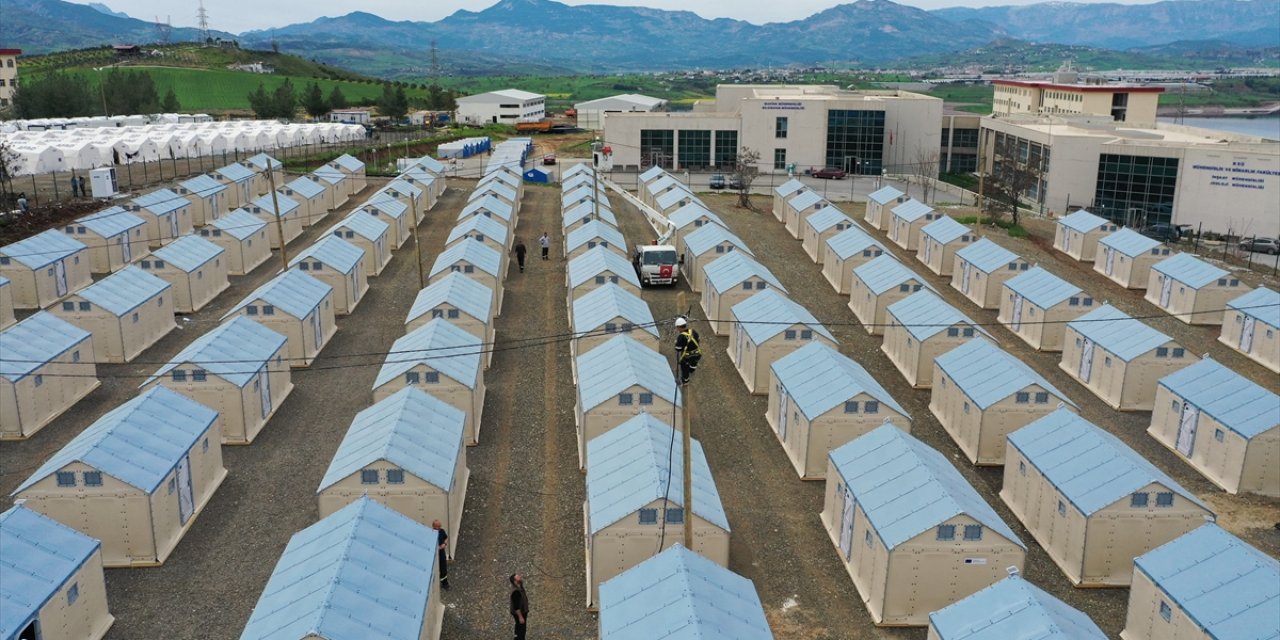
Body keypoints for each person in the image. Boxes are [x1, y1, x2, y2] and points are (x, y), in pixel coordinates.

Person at [674, 316, 701, 385]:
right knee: (693, 363)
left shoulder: (681, 337)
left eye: (677, 327)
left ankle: (685, 381)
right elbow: (698, 339)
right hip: (697, 353)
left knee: (684, 368)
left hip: (687, 357)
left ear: (679, 327)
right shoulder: (693, 331)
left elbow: (678, 349)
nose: (677, 329)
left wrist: (676, 343)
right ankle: (692, 370)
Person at [509, 574, 529, 640]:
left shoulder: (519, 587)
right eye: (518, 576)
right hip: (520, 613)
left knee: (519, 628)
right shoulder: (516, 591)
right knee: (521, 630)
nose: (520, 576)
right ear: (515, 581)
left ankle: (517, 638)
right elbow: (516, 606)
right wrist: (520, 617)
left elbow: (521, 582)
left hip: (522, 612)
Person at [432, 520, 449, 590]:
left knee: (443, 568)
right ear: (434, 526)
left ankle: (444, 583)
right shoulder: (432, 533)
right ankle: (434, 585)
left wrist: (444, 544)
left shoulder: (442, 531)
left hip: (442, 553)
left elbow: (446, 538)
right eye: (438, 526)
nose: (439, 527)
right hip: (435, 554)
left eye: (440, 526)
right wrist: (438, 548)